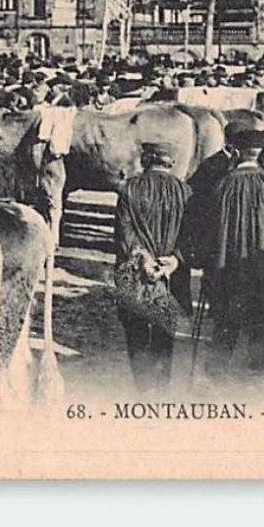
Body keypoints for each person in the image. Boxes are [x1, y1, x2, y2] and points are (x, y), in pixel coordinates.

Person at [203, 127, 264, 373]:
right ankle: (256, 370)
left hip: (230, 267)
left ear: (236, 152)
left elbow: (208, 229)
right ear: (260, 154)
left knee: (226, 320)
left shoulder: (222, 185)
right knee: (262, 318)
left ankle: (216, 372)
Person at [113, 142, 193, 392]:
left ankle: (142, 389)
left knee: (135, 333)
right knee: (164, 335)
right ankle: (161, 388)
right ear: (172, 163)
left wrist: (144, 259)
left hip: (136, 274)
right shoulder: (186, 192)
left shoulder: (129, 189)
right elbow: (192, 236)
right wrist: (175, 260)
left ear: (146, 160)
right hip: (171, 275)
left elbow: (124, 233)